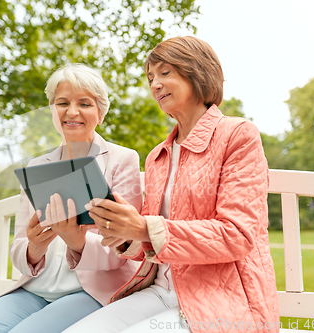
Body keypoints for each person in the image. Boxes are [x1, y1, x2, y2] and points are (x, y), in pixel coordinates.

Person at [64, 37, 279, 333]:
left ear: (197, 72)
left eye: (165, 73)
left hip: (218, 300)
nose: (155, 85)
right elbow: (149, 245)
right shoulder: (158, 156)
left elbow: (237, 234)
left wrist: (142, 227)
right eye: (151, 78)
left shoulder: (238, 135)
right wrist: (126, 234)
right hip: (159, 291)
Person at [0, 64, 142, 333]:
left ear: (100, 112)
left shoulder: (122, 160)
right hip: (34, 289)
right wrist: (34, 248)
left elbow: (125, 250)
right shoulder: (37, 166)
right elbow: (19, 245)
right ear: (53, 111)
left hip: (90, 291)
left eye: (85, 103)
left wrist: (76, 241)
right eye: (62, 102)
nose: (72, 111)